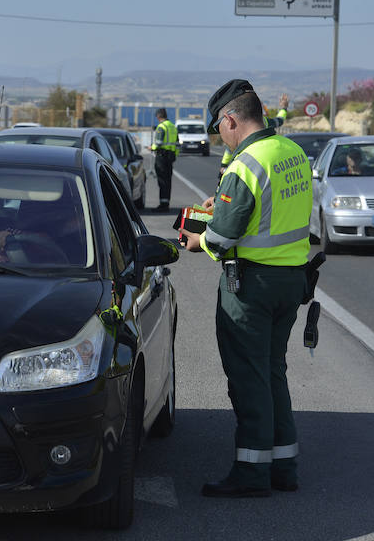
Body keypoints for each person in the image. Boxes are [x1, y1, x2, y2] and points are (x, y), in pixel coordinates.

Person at [179, 79, 312, 498]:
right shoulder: (293, 152)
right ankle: (283, 467)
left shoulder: (246, 165)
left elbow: (221, 237)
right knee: (273, 371)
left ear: (231, 119)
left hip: (251, 287)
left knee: (249, 378)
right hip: (292, 280)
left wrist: (196, 238)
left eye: (218, 126)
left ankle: (252, 474)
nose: (219, 135)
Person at [219, 93, 289, 178]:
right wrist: (284, 108)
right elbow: (280, 120)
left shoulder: (237, 124)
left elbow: (229, 149)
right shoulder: (265, 122)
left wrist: (224, 165)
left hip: (244, 164)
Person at [149, 107, 180, 212]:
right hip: (170, 157)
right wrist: (174, 155)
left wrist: (151, 148)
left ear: (158, 116)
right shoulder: (172, 127)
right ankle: (166, 203)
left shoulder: (161, 127)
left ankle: (163, 205)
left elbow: (158, 143)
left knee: (162, 181)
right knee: (168, 180)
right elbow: (177, 144)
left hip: (161, 156)